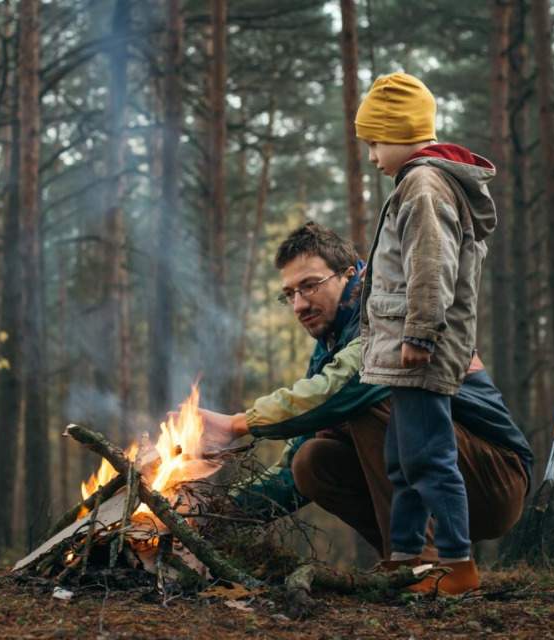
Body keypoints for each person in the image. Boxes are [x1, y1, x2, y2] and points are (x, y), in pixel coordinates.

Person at [198, 222, 532, 575]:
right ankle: (401, 562)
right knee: (311, 460)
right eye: (289, 294)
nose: (298, 304)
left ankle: (424, 563)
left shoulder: (388, 310)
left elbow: (343, 387)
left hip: (493, 478)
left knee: (367, 402)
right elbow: (291, 468)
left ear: (350, 274)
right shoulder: (330, 344)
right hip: (444, 486)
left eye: (310, 286)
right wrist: (212, 513)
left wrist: (237, 424)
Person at [355, 71, 499, 594]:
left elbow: (430, 266)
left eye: (374, 142)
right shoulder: (419, 183)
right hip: (408, 350)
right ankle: (407, 556)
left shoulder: (422, 184)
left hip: (420, 350)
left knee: (430, 459)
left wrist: (419, 334)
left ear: (401, 133)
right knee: (402, 460)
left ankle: (458, 566)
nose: (372, 156)